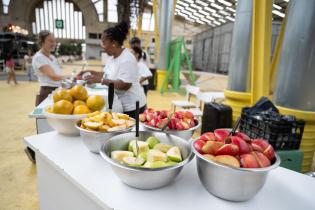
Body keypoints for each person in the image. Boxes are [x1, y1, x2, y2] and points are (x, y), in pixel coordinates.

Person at [79, 21, 146, 118]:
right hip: (120, 104)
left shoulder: (127, 59)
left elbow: (124, 85)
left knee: (131, 132)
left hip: (133, 107)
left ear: (113, 43)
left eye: (104, 42)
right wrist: (91, 72)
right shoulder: (112, 58)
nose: (102, 45)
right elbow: (106, 74)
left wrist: (101, 80)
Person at [32, 30, 62, 106]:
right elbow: (54, 77)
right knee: (45, 117)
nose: (54, 44)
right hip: (47, 92)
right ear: (42, 42)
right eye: (50, 41)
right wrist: (71, 77)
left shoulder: (52, 57)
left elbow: (58, 76)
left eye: (54, 41)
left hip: (56, 91)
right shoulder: (39, 58)